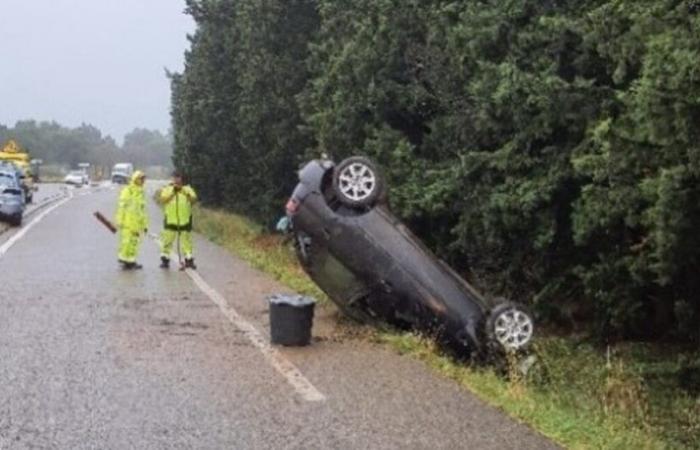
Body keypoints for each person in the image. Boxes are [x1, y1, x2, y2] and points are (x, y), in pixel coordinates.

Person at [159, 171, 197, 269]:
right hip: (171, 219)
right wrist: (173, 191)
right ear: (172, 178)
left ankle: (189, 259)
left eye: (178, 177)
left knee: (186, 240)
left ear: (181, 178)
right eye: (174, 177)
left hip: (185, 219)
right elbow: (163, 199)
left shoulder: (187, 189)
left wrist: (182, 191)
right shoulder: (167, 188)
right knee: (168, 240)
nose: (176, 179)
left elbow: (193, 199)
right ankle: (165, 259)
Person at [115, 170, 148, 270]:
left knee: (134, 243)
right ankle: (124, 260)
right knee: (126, 242)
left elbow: (142, 211)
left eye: (143, 179)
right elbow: (121, 206)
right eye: (141, 179)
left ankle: (131, 261)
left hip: (137, 224)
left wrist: (145, 225)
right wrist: (119, 220)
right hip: (127, 223)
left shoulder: (141, 192)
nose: (143, 181)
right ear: (136, 179)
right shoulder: (128, 190)